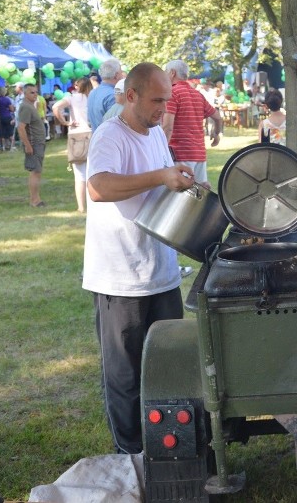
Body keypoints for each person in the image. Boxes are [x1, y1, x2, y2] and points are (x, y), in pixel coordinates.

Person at [83, 62, 195, 454]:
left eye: (166, 98)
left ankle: (172, 452)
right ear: (130, 96)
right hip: (120, 276)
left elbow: (159, 186)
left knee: (170, 368)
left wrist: (175, 179)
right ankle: (130, 457)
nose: (164, 107)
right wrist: (160, 177)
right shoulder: (109, 134)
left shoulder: (154, 133)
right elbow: (98, 187)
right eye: (156, 99)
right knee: (126, 377)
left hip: (160, 273)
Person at [162, 60, 221, 189]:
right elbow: (217, 117)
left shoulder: (173, 93)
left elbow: (167, 127)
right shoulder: (197, 94)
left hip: (180, 153)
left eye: (166, 72)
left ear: (172, 73)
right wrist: (216, 134)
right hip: (199, 153)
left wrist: (160, 150)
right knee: (199, 195)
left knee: (179, 195)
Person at [53, 77, 95, 213]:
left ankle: (81, 206)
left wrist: (65, 122)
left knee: (79, 174)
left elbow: (55, 107)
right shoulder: (93, 97)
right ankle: (93, 205)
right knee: (93, 172)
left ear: (77, 86)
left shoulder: (72, 98)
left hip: (77, 135)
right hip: (92, 134)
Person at [16, 84, 47, 207]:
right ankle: (35, 200)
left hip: (38, 142)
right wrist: (28, 145)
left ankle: (36, 198)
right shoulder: (26, 107)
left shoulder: (31, 106)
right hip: (34, 143)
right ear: (25, 94)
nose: (35, 95)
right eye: (32, 93)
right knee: (35, 171)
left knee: (37, 171)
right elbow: (21, 128)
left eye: (36, 92)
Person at [87, 58, 124, 131]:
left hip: (97, 138)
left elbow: (89, 121)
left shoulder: (92, 93)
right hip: (111, 139)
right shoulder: (113, 95)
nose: (122, 76)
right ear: (116, 75)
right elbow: (119, 125)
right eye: (121, 72)